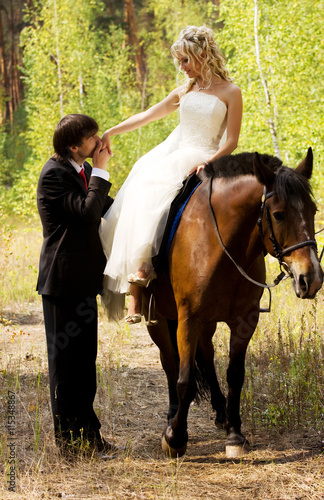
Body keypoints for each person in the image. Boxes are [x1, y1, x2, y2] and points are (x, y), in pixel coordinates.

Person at [100, 25, 243, 323]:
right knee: (145, 188)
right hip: (179, 155)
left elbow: (231, 141)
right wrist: (112, 130)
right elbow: (147, 115)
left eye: (185, 60)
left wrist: (210, 162)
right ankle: (137, 285)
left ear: (203, 55)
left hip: (209, 156)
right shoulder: (184, 92)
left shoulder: (231, 92)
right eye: (179, 61)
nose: (182, 67)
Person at [36, 114, 118, 458]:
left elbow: (108, 209)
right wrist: (100, 170)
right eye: (91, 137)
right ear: (74, 146)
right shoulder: (55, 174)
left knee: (85, 365)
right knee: (66, 366)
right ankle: (68, 443)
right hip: (62, 282)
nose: (98, 141)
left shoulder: (81, 171)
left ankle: (90, 435)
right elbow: (87, 212)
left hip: (84, 282)